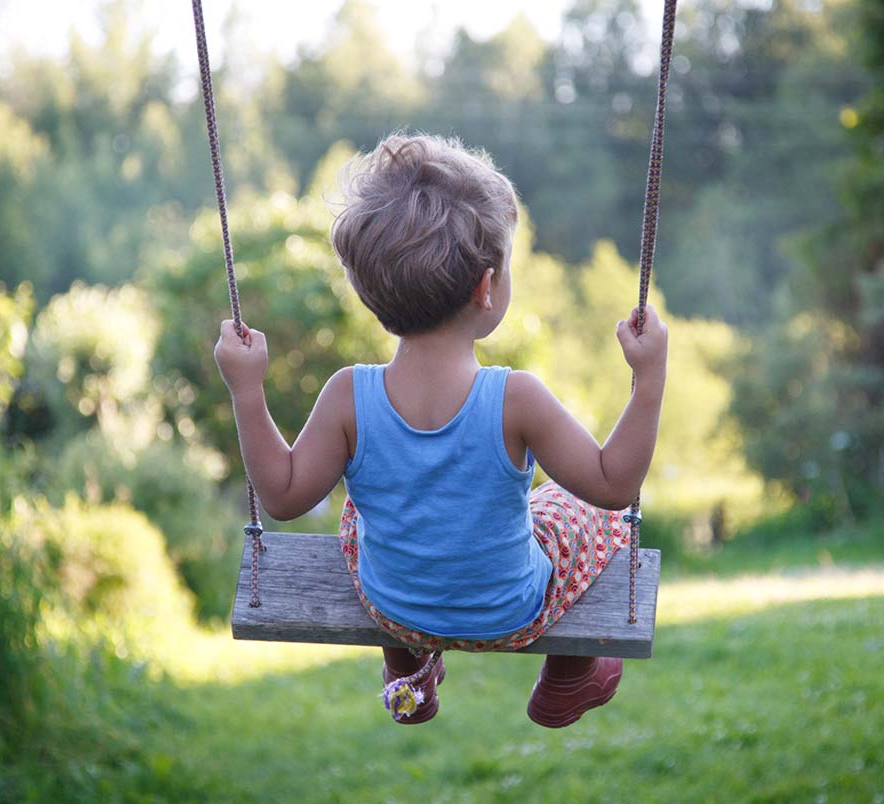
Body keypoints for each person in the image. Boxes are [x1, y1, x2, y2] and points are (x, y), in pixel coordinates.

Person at [213, 133, 667, 728]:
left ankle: (407, 673)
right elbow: (613, 485)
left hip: (396, 608)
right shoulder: (516, 398)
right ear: (486, 288)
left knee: (360, 514)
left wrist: (248, 390)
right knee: (586, 513)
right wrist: (649, 378)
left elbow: (284, 496)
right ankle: (570, 673)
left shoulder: (348, 395)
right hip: (511, 611)